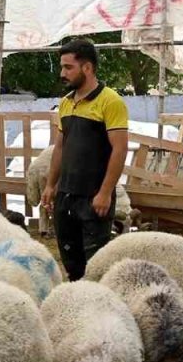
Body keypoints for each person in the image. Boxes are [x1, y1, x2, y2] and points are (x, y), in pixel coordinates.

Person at [40, 39, 129, 281]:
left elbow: (120, 149)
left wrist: (105, 193)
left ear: (87, 68)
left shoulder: (110, 101)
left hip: (94, 197)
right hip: (66, 196)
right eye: (62, 67)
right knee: (72, 264)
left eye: (68, 67)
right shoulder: (66, 103)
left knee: (96, 265)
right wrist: (50, 185)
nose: (62, 73)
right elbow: (60, 147)